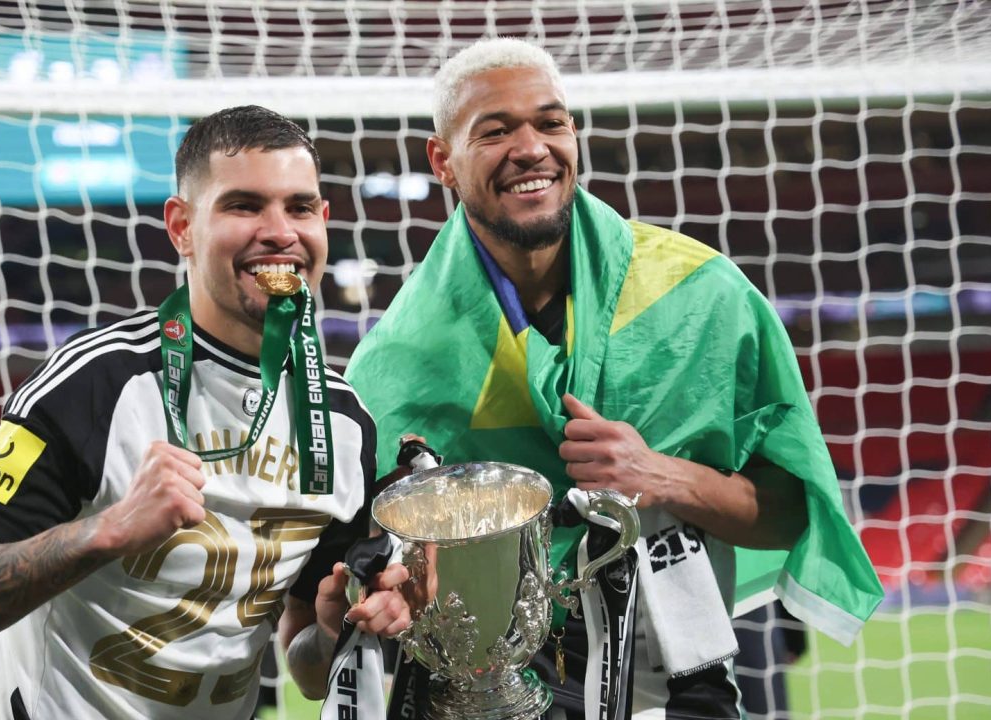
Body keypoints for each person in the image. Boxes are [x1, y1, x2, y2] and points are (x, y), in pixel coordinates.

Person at [345, 39, 883, 719]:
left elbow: (791, 513)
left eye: (551, 122)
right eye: (495, 131)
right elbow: (352, 589)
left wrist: (662, 475)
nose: (531, 148)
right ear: (441, 161)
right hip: (485, 694)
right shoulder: (397, 362)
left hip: (673, 679)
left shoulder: (701, 297)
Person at [0, 105, 410, 719]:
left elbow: (303, 662)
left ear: (323, 221)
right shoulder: (95, 383)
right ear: (182, 227)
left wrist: (332, 635)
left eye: (299, 207)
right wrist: (105, 531)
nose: (279, 232)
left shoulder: (344, 425)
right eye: (244, 206)